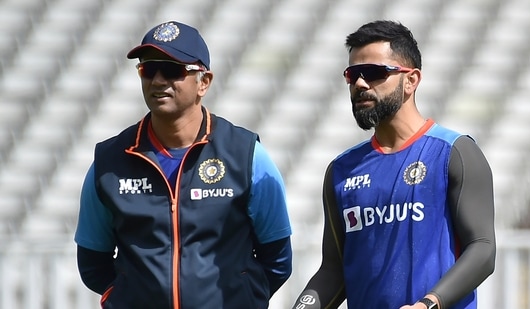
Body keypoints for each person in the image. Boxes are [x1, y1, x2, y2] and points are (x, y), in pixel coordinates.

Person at [74, 21, 292, 309]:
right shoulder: (110, 160)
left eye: (173, 70)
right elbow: (92, 262)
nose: (158, 80)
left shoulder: (246, 154)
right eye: (149, 69)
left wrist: (245, 297)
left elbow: (277, 260)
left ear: (204, 82)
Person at [292, 20, 496, 309]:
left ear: (411, 80)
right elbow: (333, 270)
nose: (360, 84)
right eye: (353, 74)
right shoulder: (341, 170)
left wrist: (429, 304)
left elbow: (483, 250)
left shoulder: (455, 152)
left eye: (374, 73)